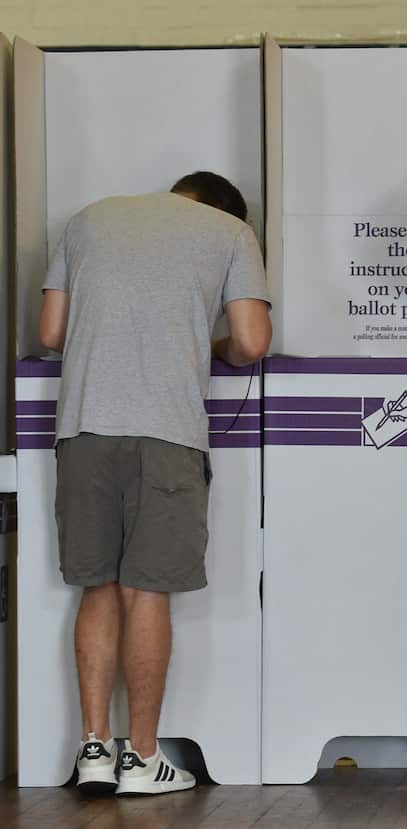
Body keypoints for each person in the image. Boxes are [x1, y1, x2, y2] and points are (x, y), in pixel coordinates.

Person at [39, 171, 272, 796]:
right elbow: (252, 341)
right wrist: (209, 345)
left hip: (83, 428)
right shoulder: (231, 233)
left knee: (97, 586)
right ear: (227, 210)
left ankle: (93, 750)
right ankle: (141, 760)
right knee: (146, 592)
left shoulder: (89, 218)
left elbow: (51, 333)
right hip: (167, 432)